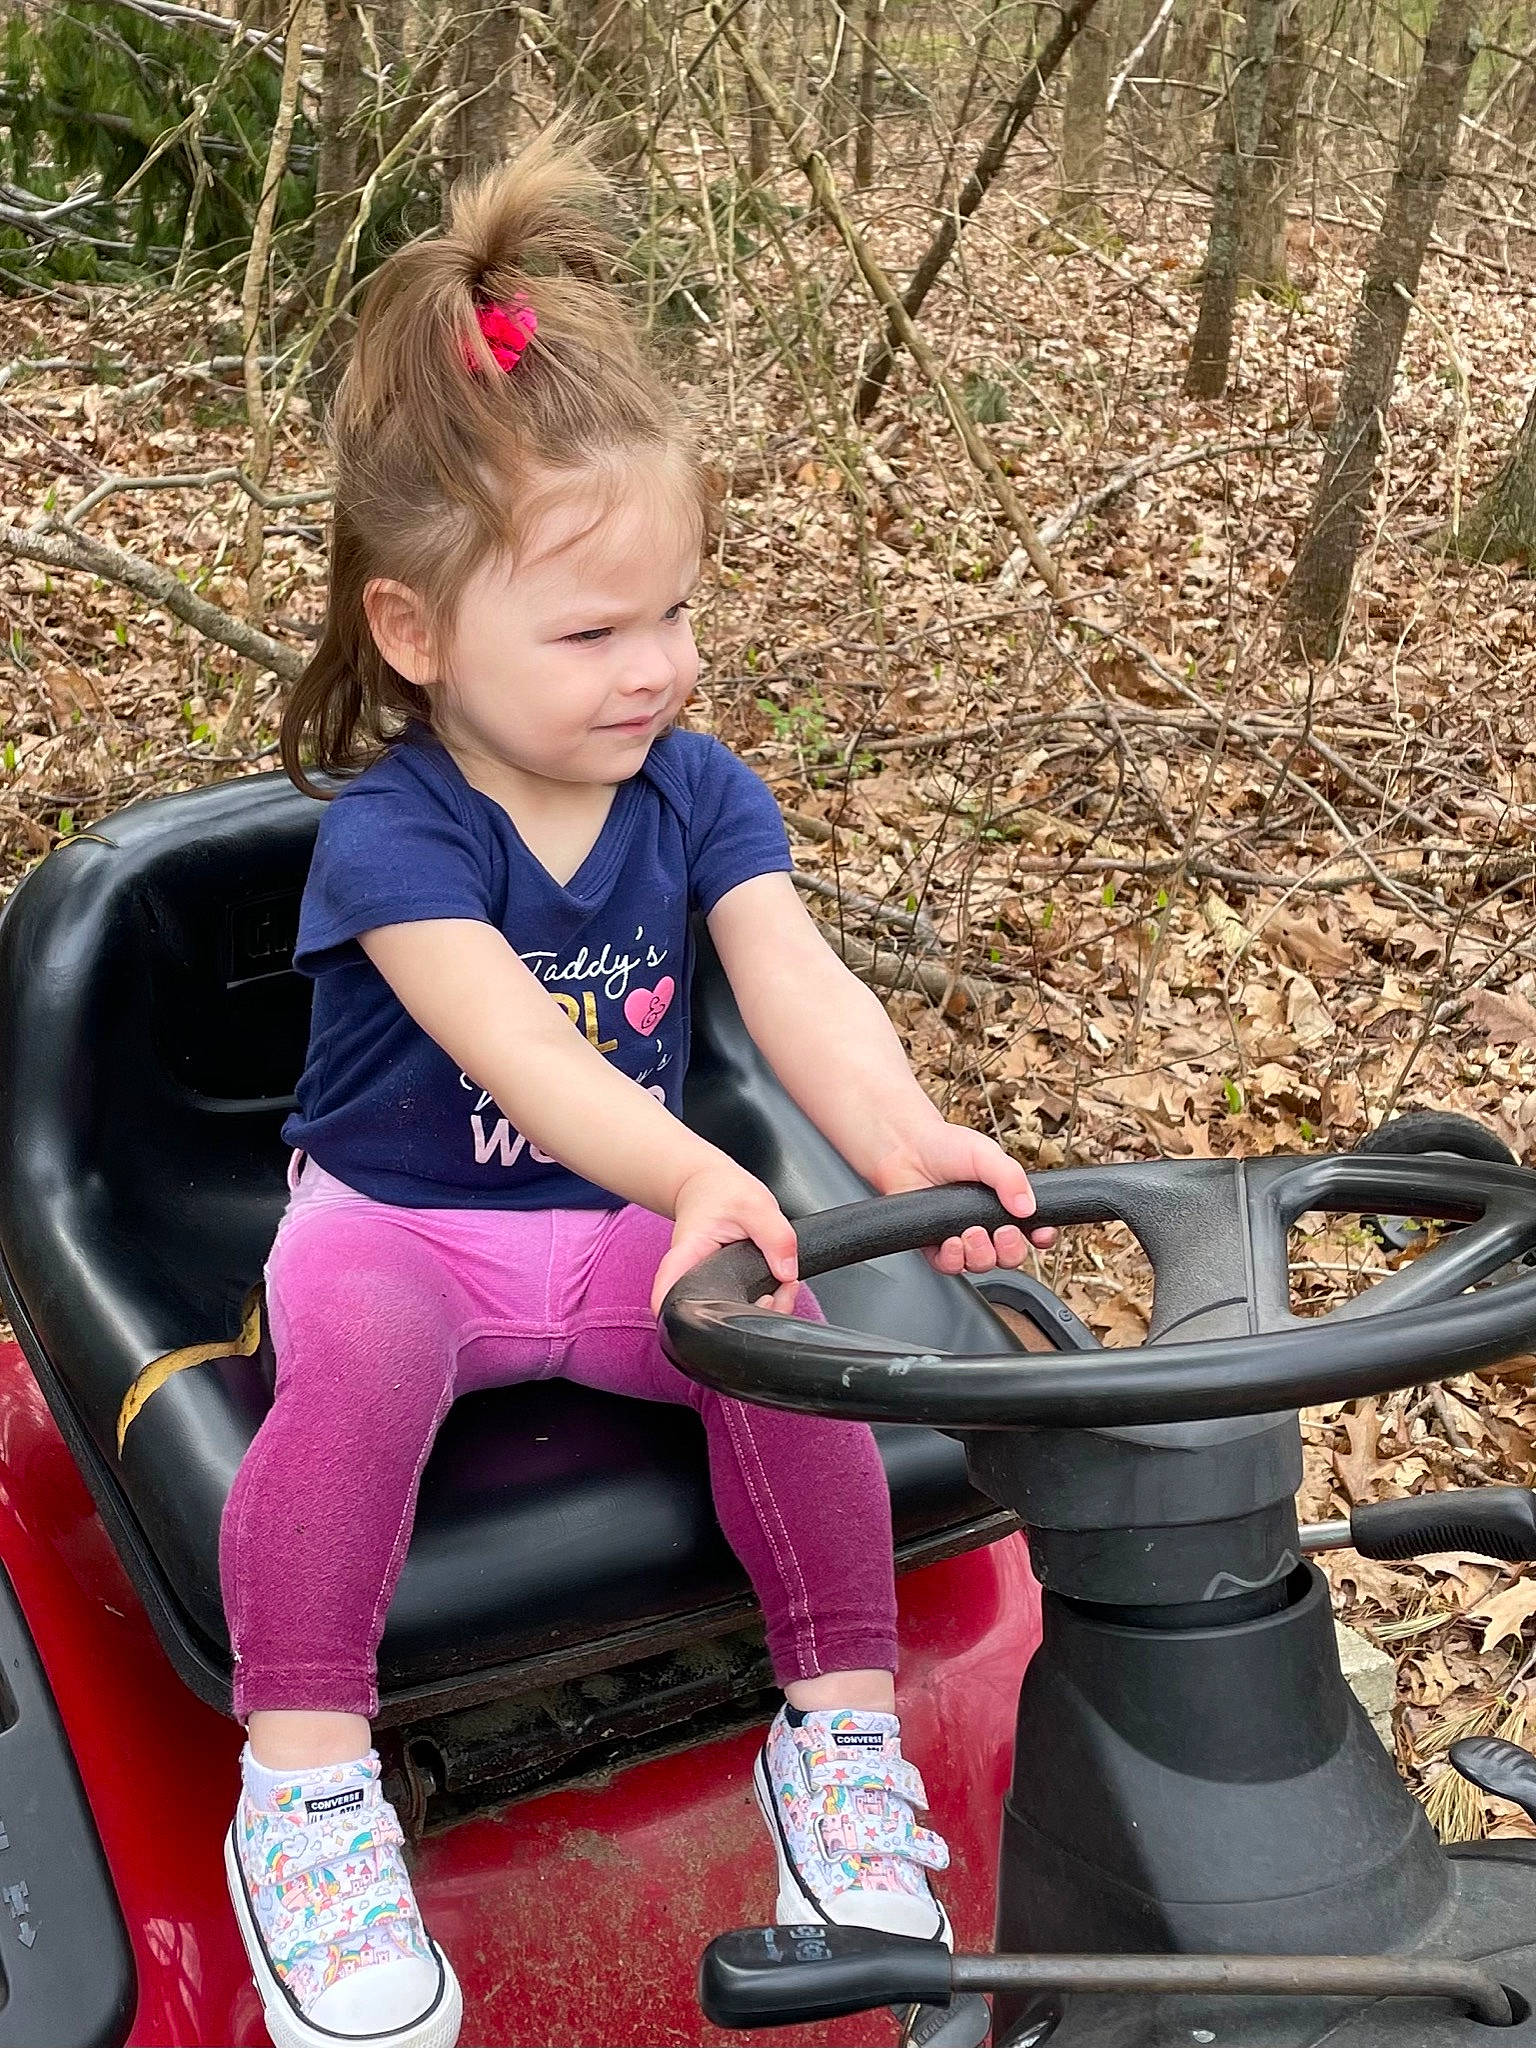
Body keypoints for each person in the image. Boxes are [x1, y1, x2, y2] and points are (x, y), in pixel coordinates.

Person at [220, 127, 1049, 2048]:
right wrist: (693, 1170)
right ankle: (309, 1785)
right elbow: (516, 1041)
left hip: (609, 1236)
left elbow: (793, 977)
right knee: (347, 1379)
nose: (654, 669)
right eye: (592, 632)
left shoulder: (698, 790)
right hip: (404, 1229)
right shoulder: (398, 834)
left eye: (675, 614)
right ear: (413, 637)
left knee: (784, 1344)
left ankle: (835, 1741)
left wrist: (899, 1132)